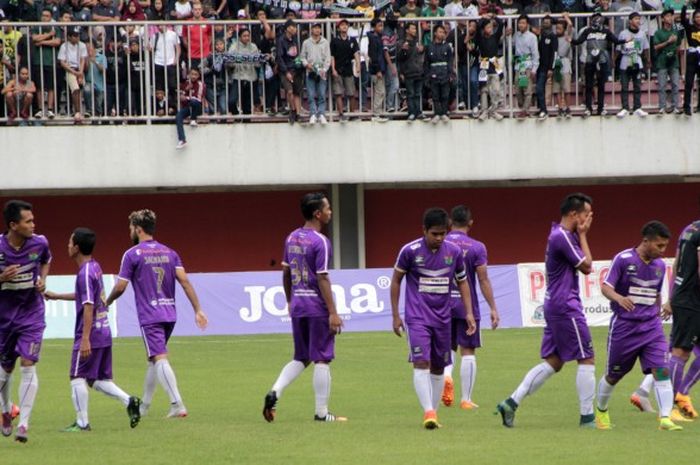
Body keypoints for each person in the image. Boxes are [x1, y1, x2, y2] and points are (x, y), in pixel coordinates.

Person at [497, 193, 595, 428]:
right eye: (586, 213)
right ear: (574, 214)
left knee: (555, 361)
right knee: (587, 358)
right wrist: (583, 234)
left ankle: (512, 402)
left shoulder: (560, 235)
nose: (589, 217)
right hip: (565, 305)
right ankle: (587, 418)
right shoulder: (563, 236)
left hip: (555, 304)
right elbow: (588, 266)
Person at [105, 209, 208, 418]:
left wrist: (107, 301)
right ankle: (144, 406)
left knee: (159, 357)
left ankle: (177, 402)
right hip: (170, 313)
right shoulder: (170, 252)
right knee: (153, 359)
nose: (129, 232)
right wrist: (198, 309)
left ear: (138, 229)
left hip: (150, 315)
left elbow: (121, 287)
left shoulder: (132, 254)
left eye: (131, 228)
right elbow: (185, 281)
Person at [44, 228, 142, 432]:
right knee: (96, 380)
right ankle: (129, 401)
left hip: (91, 334)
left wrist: (85, 339)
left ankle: (82, 423)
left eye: (70, 242)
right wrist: (57, 296)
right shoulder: (95, 267)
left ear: (77, 248)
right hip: (104, 331)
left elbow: (88, 305)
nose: (67, 246)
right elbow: (87, 297)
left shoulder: (85, 273)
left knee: (77, 376)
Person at [262, 193, 346, 424]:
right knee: (322, 358)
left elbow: (287, 272)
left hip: (298, 305)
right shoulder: (321, 242)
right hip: (317, 308)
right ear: (318, 214)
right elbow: (322, 278)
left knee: (302, 357)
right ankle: (321, 413)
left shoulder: (291, 238)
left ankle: (275, 392)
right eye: (328, 208)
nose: (330, 211)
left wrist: (290, 300)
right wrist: (333, 312)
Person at [391, 207, 476, 429]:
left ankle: (433, 414)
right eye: (434, 234)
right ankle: (428, 410)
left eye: (442, 233)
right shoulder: (410, 251)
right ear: (424, 231)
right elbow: (396, 281)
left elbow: (463, 282)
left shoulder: (454, 252)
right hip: (417, 317)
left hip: (443, 319)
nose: (439, 238)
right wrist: (395, 315)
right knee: (421, 363)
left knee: (439, 367)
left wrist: (468, 312)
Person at [594, 221, 681, 431]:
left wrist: (664, 306)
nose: (663, 251)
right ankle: (601, 411)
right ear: (646, 241)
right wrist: (619, 298)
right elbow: (606, 287)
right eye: (659, 246)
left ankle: (665, 419)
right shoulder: (623, 259)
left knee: (661, 370)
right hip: (625, 327)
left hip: (652, 327)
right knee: (614, 375)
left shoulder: (660, 266)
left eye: (665, 246)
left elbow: (656, 292)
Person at [0, 200, 51, 443]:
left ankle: (24, 424)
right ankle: (6, 410)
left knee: (28, 364)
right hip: (5, 318)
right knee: (5, 370)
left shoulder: (39, 243)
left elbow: (45, 260)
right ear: (13, 225)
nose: (33, 224)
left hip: (32, 314)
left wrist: (42, 280)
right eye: (28, 221)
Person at [441, 206, 499, 410]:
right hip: (467, 306)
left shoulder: (440, 243)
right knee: (468, 350)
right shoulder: (477, 247)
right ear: (470, 223)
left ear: (449, 223)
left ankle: (447, 376)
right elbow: (483, 279)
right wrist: (493, 307)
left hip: (442, 305)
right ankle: (466, 399)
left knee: (447, 347)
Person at [571, 12, 622, 117]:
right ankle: (588, 108)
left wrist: (626, 41)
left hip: (602, 61)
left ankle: (601, 108)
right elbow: (578, 41)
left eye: (598, 18)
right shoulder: (587, 31)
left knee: (601, 85)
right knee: (589, 85)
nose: (597, 20)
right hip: (590, 60)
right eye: (595, 18)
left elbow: (615, 40)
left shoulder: (606, 31)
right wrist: (570, 40)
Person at [616, 12, 649, 118]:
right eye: (636, 19)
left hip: (637, 60)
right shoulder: (623, 33)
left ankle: (637, 107)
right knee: (624, 86)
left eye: (639, 19)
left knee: (637, 86)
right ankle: (625, 107)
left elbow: (646, 48)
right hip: (625, 61)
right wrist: (614, 60)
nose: (638, 21)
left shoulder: (642, 33)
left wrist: (648, 61)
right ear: (630, 21)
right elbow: (618, 49)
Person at [30, 8, 61, 119]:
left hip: (51, 61)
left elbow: (57, 42)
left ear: (51, 17)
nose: (44, 17)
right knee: (39, 86)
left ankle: (50, 109)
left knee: (51, 86)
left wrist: (42, 41)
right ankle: (40, 109)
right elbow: (34, 38)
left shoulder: (55, 27)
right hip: (38, 61)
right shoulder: (36, 27)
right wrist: (49, 35)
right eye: (43, 15)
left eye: (47, 15)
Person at [475, 14, 504, 121]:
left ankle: (493, 110)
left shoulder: (495, 37)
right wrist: (484, 18)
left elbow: (501, 24)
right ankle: (484, 111)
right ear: (484, 29)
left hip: (494, 63)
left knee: (496, 88)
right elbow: (478, 27)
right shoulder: (480, 38)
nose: (490, 29)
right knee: (484, 89)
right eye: (488, 27)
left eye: (491, 27)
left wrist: (494, 16)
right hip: (484, 64)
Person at [301, 22, 331, 124]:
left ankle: (321, 114)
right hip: (310, 71)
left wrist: (324, 69)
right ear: (311, 30)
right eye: (315, 28)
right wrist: (306, 64)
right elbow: (302, 57)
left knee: (322, 93)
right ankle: (313, 113)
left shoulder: (325, 42)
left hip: (322, 71)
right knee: (310, 93)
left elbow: (328, 58)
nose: (317, 30)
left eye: (319, 28)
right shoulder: (306, 42)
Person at [330, 19, 360, 122]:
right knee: (338, 93)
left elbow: (356, 53)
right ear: (338, 28)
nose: (344, 27)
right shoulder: (334, 40)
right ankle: (341, 113)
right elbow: (332, 56)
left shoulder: (352, 40)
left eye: (346, 25)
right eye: (342, 25)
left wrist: (358, 65)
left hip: (348, 69)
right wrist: (333, 69)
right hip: (338, 69)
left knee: (351, 92)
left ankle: (352, 114)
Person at [654, 9, 682, 115]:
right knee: (662, 85)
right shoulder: (658, 32)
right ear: (662, 19)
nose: (670, 18)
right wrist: (668, 42)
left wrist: (673, 52)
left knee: (675, 84)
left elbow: (679, 46)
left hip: (673, 61)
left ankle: (676, 106)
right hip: (662, 61)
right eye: (667, 16)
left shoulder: (676, 31)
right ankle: (662, 107)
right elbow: (656, 47)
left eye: (671, 16)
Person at [424, 24, 454, 123]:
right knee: (435, 95)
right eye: (440, 32)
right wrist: (427, 76)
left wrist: (450, 74)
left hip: (444, 73)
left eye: (443, 32)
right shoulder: (429, 47)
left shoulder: (447, 47)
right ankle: (437, 113)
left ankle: (444, 113)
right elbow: (427, 63)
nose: (442, 34)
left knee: (445, 94)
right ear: (435, 33)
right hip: (433, 74)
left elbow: (450, 61)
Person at [57, 28, 88, 122]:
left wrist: (80, 72)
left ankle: (78, 112)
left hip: (79, 70)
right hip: (70, 70)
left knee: (82, 88)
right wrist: (75, 73)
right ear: (69, 37)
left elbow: (83, 59)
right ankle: (77, 112)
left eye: (78, 35)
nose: (77, 37)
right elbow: (62, 62)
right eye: (75, 36)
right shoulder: (64, 46)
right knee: (75, 89)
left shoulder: (82, 45)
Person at [512, 14, 539, 119]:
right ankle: (522, 107)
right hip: (519, 64)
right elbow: (509, 43)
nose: (521, 25)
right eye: (519, 23)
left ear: (527, 24)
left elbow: (535, 54)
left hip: (527, 64)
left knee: (527, 89)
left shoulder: (532, 37)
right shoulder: (516, 35)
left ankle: (525, 110)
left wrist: (534, 69)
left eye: (523, 23)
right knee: (518, 88)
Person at [276, 19, 303, 124]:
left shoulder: (295, 40)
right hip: (286, 69)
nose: (294, 29)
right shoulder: (281, 40)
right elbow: (279, 57)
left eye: (295, 27)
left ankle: (298, 113)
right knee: (290, 91)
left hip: (296, 69)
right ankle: (293, 110)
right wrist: (286, 71)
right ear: (287, 28)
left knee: (297, 92)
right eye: (292, 27)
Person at [398, 21, 425, 121]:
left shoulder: (418, 42)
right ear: (407, 30)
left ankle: (418, 112)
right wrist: (404, 50)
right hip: (408, 72)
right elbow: (400, 58)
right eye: (413, 29)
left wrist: (422, 50)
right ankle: (411, 112)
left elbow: (421, 56)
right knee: (411, 93)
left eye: (415, 29)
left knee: (418, 93)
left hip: (418, 72)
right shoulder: (402, 43)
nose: (414, 31)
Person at [174, 68, 205, 150]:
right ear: (189, 75)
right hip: (188, 107)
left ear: (198, 76)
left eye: (196, 74)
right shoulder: (186, 83)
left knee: (194, 102)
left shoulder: (200, 84)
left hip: (197, 107)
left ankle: (193, 119)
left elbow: (198, 98)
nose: (193, 76)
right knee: (178, 116)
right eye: (192, 74)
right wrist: (186, 90)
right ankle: (182, 139)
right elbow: (181, 96)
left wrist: (187, 98)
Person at [680, 5, 700, 116]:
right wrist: (684, 9)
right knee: (689, 82)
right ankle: (686, 106)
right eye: (697, 17)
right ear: (694, 18)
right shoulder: (690, 28)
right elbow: (683, 20)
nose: (699, 19)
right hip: (692, 56)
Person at [536, 16, 557, 121]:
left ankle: (544, 110)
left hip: (546, 68)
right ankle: (540, 108)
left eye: (548, 23)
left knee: (540, 88)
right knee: (538, 88)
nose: (545, 24)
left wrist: (551, 68)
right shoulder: (540, 36)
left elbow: (555, 53)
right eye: (544, 22)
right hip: (538, 66)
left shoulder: (553, 37)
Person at [368, 17, 388, 122]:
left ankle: (378, 112)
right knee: (380, 91)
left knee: (381, 91)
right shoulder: (373, 39)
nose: (382, 28)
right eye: (379, 26)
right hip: (376, 70)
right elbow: (374, 56)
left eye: (382, 25)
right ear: (374, 27)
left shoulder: (378, 38)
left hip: (379, 69)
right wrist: (378, 70)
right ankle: (376, 114)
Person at [553, 13, 573, 118]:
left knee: (566, 88)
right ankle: (560, 108)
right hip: (556, 62)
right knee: (557, 88)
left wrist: (565, 17)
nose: (557, 30)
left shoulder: (567, 36)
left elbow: (570, 25)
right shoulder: (554, 37)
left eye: (560, 28)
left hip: (565, 62)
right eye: (556, 28)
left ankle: (568, 108)